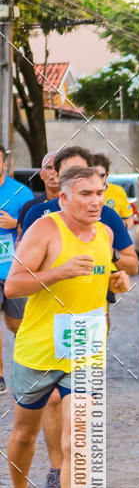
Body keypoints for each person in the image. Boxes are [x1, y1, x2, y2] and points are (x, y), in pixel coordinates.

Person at [5, 165, 130, 488]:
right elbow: (13, 285)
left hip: (84, 348)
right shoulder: (44, 231)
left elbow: (104, 278)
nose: (96, 201)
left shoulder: (106, 235)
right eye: (87, 194)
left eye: (101, 193)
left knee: (79, 438)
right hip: (39, 350)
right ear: (65, 198)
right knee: (25, 435)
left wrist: (117, 282)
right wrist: (57, 272)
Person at [20, 146, 139, 488]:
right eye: (68, 176)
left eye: (92, 184)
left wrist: (116, 275)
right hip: (44, 325)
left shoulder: (105, 220)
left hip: (88, 324)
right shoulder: (37, 215)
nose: (88, 192)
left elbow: (130, 262)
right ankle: (53, 473)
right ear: (56, 180)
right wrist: (58, 272)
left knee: (77, 415)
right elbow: (24, 272)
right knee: (47, 404)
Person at [0, 146, 34, 393]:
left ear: (4, 163)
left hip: (14, 270)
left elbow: (34, 230)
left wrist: (15, 223)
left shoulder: (21, 193)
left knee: (17, 325)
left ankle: (26, 369)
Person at [17, 151, 59, 235]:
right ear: (41, 173)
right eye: (49, 167)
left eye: (57, 168)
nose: (53, 172)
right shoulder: (29, 208)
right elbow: (20, 242)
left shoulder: (74, 206)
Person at [93, 153, 134, 229]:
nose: (97, 179)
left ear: (107, 174)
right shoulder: (80, 192)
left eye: (101, 175)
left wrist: (121, 228)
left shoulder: (118, 191)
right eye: (93, 174)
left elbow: (129, 218)